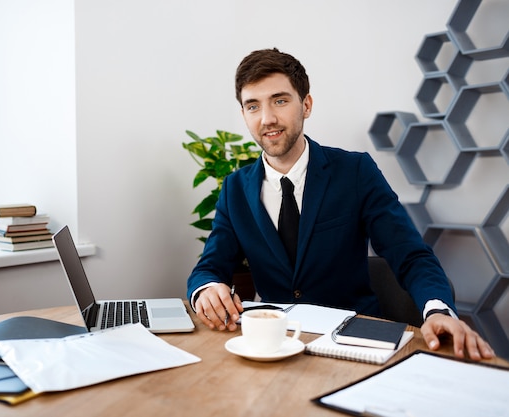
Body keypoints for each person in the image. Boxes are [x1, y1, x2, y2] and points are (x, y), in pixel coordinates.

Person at [186, 48, 495, 361]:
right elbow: (210, 266)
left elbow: (410, 253)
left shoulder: (356, 172)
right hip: (273, 345)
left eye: (280, 100)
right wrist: (207, 288)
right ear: (244, 114)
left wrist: (438, 310)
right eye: (253, 106)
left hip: (351, 346)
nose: (267, 118)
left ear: (306, 105)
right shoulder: (235, 188)